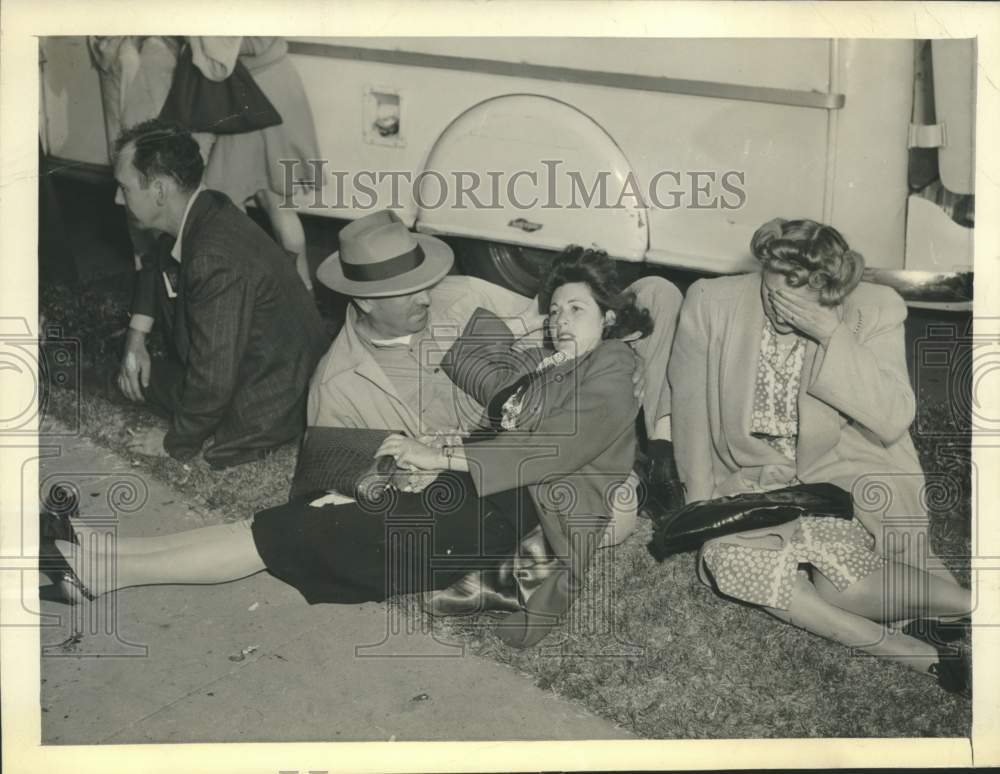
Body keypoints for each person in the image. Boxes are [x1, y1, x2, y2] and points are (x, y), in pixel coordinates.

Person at [45, 247, 653, 650]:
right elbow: (506, 438)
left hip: (518, 528)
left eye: (577, 309)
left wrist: (440, 459)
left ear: (607, 314)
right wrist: (426, 462)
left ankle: (106, 569)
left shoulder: (613, 369)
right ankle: (107, 558)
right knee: (305, 517)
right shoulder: (555, 366)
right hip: (481, 504)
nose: (560, 320)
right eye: (554, 311)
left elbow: (549, 450)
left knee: (297, 534)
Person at [668, 217, 971, 692]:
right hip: (753, 479)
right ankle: (918, 655)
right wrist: (700, 503)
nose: (779, 308)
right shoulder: (712, 302)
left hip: (840, 478)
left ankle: (973, 606)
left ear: (833, 291)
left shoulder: (874, 309)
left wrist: (833, 336)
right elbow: (689, 413)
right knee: (728, 560)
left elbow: (892, 417)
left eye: (798, 299)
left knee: (840, 586)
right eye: (772, 292)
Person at [307, 210, 685, 537]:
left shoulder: (461, 295)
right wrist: (407, 473)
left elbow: (553, 321)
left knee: (658, 291)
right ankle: (624, 480)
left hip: (555, 411)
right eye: (406, 292)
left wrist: (621, 347)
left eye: (423, 282)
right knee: (609, 516)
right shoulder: (338, 384)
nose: (425, 298)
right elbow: (336, 476)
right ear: (365, 300)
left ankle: (660, 453)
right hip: (485, 473)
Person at [114, 119, 329, 469]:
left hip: (270, 402)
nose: (117, 199)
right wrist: (136, 338)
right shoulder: (206, 206)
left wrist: (176, 442)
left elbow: (212, 379)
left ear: (159, 191)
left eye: (124, 188)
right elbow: (155, 263)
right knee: (141, 374)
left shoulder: (214, 257)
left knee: (148, 382)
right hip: (275, 369)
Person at [186, 37, 322, 290]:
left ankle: (246, 290)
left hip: (254, 97)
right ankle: (303, 292)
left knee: (224, 196)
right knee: (277, 203)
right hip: (275, 85)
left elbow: (221, 59)